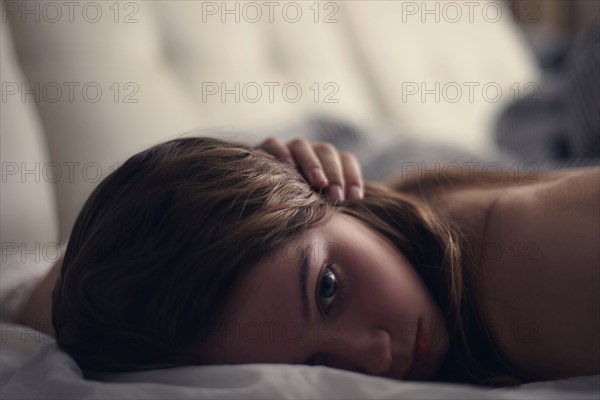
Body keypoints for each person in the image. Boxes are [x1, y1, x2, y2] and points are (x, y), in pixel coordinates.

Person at [14, 135, 599, 387]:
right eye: (314, 370)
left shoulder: (532, 260)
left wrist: (258, 175)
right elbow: (47, 298)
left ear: (315, 190)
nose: (373, 355)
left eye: (327, 289)